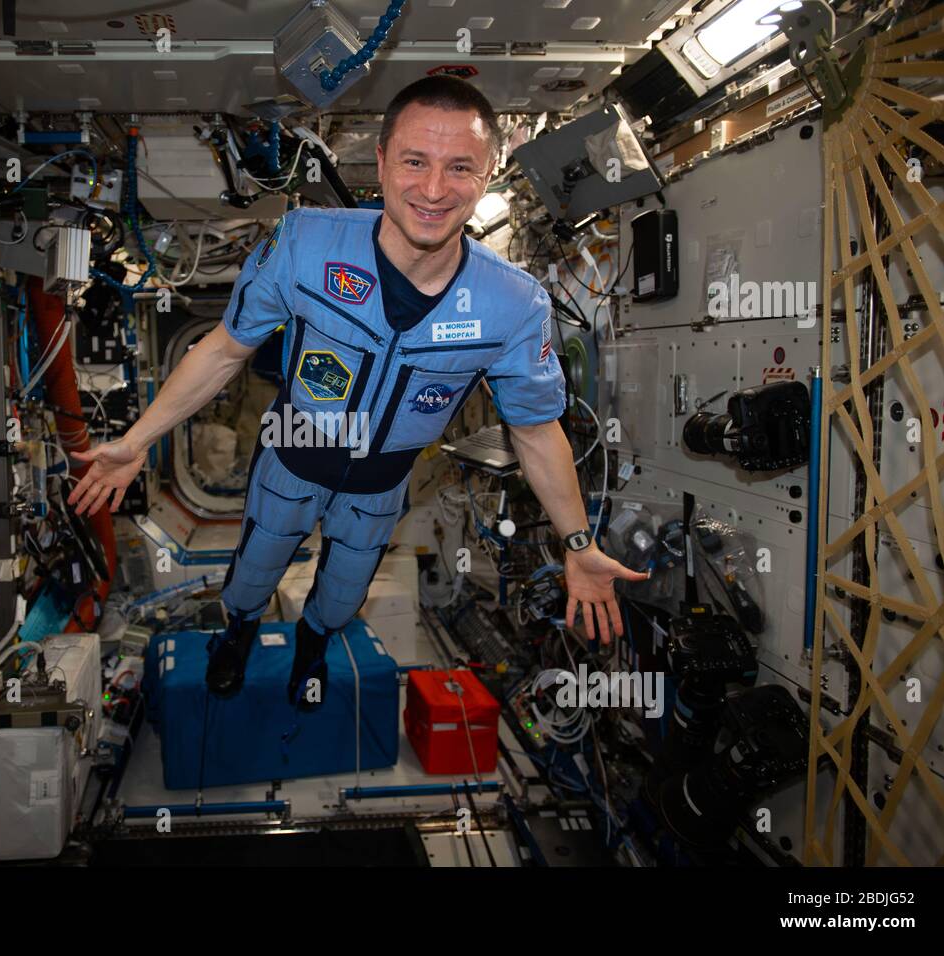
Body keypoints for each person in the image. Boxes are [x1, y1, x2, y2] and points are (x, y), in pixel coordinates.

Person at [68, 76, 647, 709]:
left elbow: (537, 431)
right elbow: (223, 350)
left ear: (487, 176)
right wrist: (135, 441)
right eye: (415, 162)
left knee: (342, 596)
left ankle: (313, 650)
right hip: (293, 456)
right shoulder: (304, 244)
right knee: (252, 576)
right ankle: (236, 633)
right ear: (380, 161)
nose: (433, 189)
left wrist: (579, 545)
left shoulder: (512, 304)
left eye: (460, 167)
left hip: (381, 483)